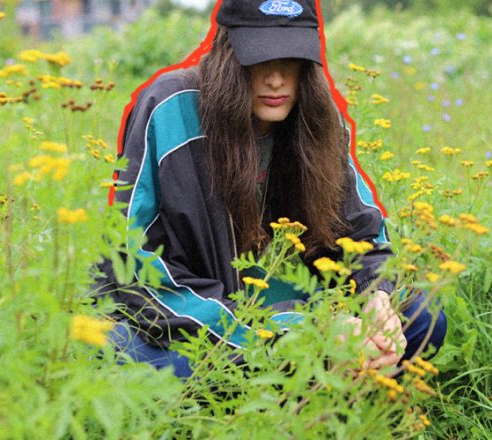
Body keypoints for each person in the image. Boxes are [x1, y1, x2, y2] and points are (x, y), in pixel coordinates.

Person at [96, 0, 446, 379]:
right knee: (137, 355)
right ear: (228, 51)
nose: (276, 79)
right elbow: (134, 262)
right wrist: (305, 336)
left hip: (290, 310)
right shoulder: (169, 108)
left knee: (421, 318)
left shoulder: (317, 119)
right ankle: (311, 377)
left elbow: (363, 235)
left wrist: (375, 298)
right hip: (188, 314)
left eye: (291, 59)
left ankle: (308, 379)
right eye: (259, 58)